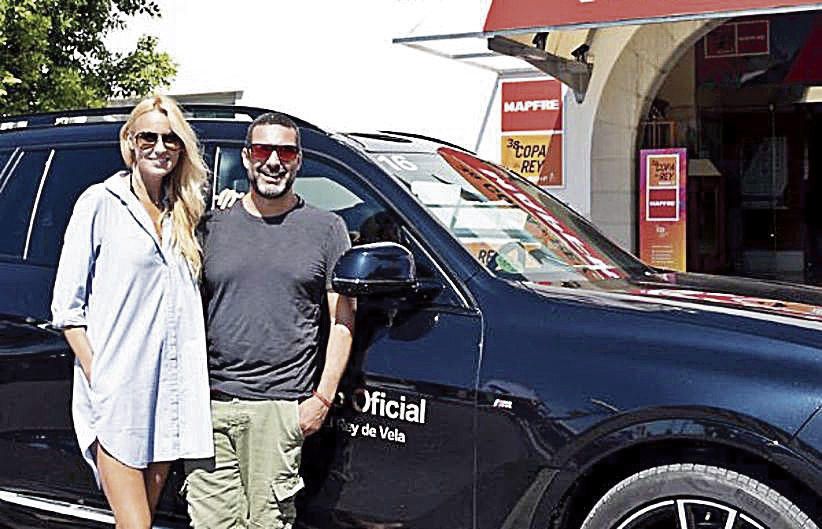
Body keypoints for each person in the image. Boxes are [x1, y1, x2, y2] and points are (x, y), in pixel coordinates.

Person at [185, 112, 355, 529]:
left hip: (280, 409)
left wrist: (321, 400)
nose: (273, 161)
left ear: (299, 160)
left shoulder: (327, 229)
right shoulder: (211, 226)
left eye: (285, 151)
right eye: (263, 150)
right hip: (209, 408)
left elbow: (342, 319)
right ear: (246, 158)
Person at [51, 96, 214, 528]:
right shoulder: (100, 203)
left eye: (171, 139)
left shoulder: (184, 213)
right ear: (130, 141)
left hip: (168, 395)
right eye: (149, 137)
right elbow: (67, 307)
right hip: (119, 394)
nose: (160, 147)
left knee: (142, 520)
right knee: (136, 525)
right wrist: (99, 375)